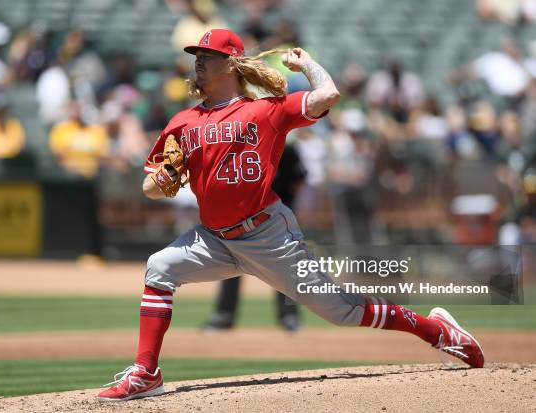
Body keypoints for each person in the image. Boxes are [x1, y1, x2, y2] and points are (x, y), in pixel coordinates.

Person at [98, 29, 484, 402]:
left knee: (343, 312)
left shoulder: (265, 111)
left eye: (207, 57)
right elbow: (149, 185)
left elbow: (328, 94)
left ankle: (437, 330)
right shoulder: (183, 121)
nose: (198, 63)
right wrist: (164, 179)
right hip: (214, 238)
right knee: (159, 267)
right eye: (196, 58)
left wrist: (309, 65)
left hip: (269, 236)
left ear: (231, 64)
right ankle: (147, 373)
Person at [202, 142, 306, 332]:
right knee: (232, 265)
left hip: (277, 218)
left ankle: (289, 316)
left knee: (285, 267)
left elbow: (298, 180)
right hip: (245, 218)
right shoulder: (245, 147)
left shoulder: (288, 149)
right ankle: (224, 316)